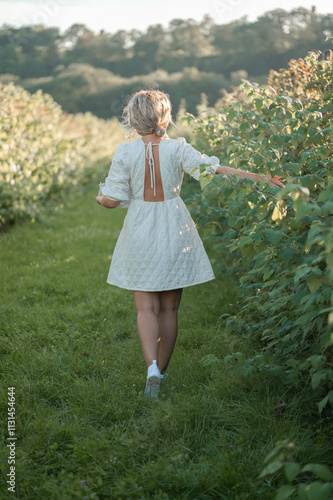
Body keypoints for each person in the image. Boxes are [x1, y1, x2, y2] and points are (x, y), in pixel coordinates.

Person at [96, 90, 284, 398]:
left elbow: (113, 199)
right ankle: (163, 373)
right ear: (165, 117)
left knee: (146, 307)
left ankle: (151, 369)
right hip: (174, 225)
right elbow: (212, 169)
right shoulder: (177, 148)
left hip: (141, 229)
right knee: (169, 308)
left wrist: (100, 197)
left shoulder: (124, 152)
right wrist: (258, 176)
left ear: (132, 119)